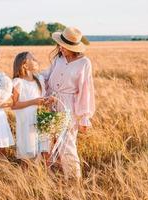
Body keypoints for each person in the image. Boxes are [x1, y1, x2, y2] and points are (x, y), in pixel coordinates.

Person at [41, 27, 95, 180]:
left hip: (67, 107)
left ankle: (74, 183)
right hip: (49, 103)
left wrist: (85, 117)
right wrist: (30, 77)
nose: (61, 49)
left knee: (67, 145)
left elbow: (86, 90)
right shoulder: (58, 58)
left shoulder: (84, 63)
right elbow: (47, 75)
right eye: (60, 45)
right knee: (49, 145)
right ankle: (53, 181)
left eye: (65, 47)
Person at [11, 51, 54, 166]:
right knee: (28, 156)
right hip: (26, 123)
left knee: (45, 153)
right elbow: (13, 105)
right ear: (24, 65)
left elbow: (42, 98)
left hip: (41, 121)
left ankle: (42, 179)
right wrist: (33, 102)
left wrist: (47, 101)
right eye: (32, 59)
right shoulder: (18, 82)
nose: (36, 60)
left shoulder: (39, 79)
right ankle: (25, 181)